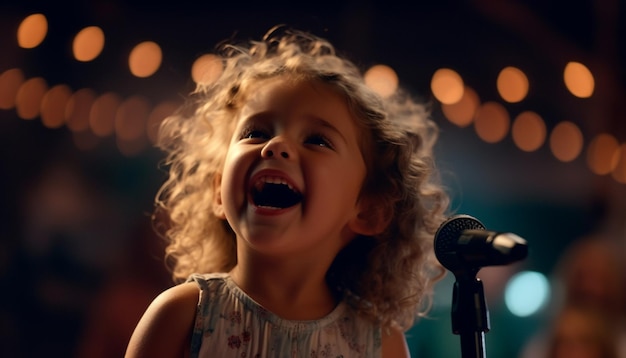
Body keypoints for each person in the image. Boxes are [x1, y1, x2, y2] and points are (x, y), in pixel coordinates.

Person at [125, 26, 449, 358]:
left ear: (368, 210)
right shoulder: (182, 316)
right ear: (219, 192)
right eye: (256, 132)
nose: (276, 145)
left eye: (317, 140)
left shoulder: (380, 343)